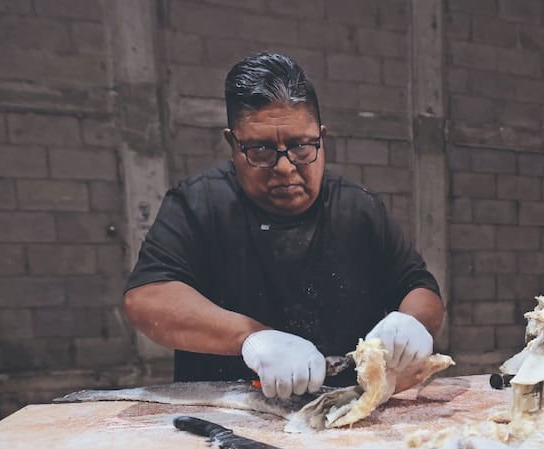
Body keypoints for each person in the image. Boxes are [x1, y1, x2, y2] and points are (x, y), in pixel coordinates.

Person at [123, 52, 444, 399]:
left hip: (346, 410)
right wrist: (251, 338)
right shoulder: (198, 204)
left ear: (322, 138)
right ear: (233, 145)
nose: (286, 167)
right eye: (261, 151)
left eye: (301, 147)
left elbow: (420, 288)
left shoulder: (359, 208)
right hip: (228, 415)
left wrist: (413, 322)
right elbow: (147, 299)